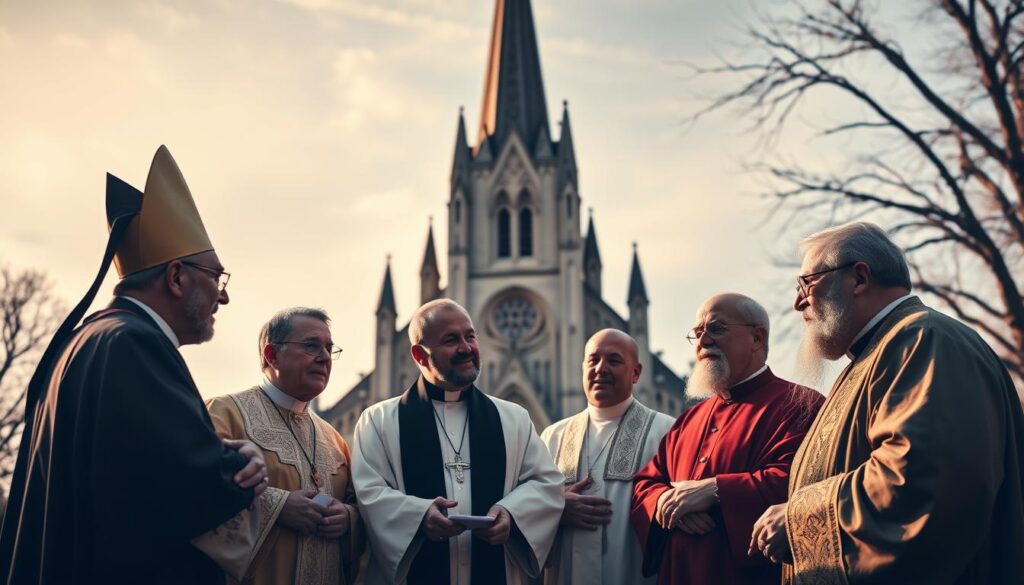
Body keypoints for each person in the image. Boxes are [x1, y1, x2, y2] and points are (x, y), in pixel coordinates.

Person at [0, 145, 268, 585]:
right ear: (177, 277)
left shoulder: (90, 339)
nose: (224, 296)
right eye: (216, 278)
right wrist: (241, 462)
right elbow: (183, 484)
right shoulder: (134, 345)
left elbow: (131, 464)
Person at [751, 222, 1024, 584]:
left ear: (859, 278)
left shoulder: (924, 340)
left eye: (807, 284)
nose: (798, 302)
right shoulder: (879, 353)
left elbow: (921, 483)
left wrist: (798, 519)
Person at [351, 299, 564, 584]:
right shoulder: (378, 421)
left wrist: (512, 514)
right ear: (419, 355)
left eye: (470, 336)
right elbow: (370, 493)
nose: (466, 348)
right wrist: (418, 516)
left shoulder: (513, 419)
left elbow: (546, 484)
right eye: (451, 340)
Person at [631, 293, 823, 585]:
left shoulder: (800, 404)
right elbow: (646, 484)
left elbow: (804, 482)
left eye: (716, 329)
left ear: (757, 338)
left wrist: (715, 490)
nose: (703, 341)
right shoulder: (689, 419)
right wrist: (668, 504)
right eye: (697, 334)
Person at [204, 307, 364, 584]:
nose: (325, 357)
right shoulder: (225, 412)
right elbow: (195, 487)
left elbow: (359, 505)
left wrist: (349, 519)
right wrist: (278, 507)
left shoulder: (334, 438)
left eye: (329, 348)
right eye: (311, 346)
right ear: (272, 355)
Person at [540, 329, 675, 585]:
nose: (600, 369)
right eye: (593, 360)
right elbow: (526, 505)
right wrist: (555, 508)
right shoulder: (552, 436)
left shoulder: (667, 432)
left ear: (636, 372)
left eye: (613, 360)